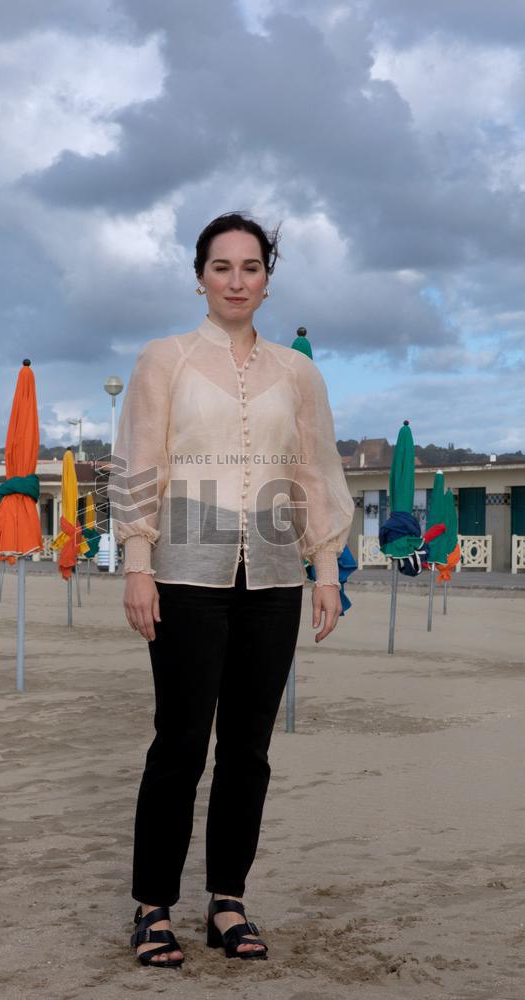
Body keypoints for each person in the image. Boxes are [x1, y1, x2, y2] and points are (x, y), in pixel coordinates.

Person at [109, 212, 354, 968]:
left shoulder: (298, 373)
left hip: (275, 576)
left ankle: (228, 901)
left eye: (250, 267)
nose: (236, 280)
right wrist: (138, 562)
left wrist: (326, 570)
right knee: (180, 744)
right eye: (222, 267)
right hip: (185, 573)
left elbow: (316, 471)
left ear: (267, 279)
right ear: (200, 276)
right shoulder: (166, 360)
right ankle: (153, 907)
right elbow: (139, 459)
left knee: (248, 749)